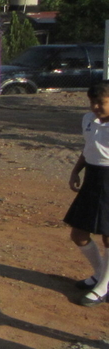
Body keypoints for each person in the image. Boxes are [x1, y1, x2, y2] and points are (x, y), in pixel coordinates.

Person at [64, 80, 109, 307]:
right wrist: (75, 171)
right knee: (78, 234)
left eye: (100, 103)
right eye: (92, 103)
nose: (95, 107)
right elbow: (88, 148)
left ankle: (103, 288)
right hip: (93, 179)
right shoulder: (88, 120)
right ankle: (102, 274)